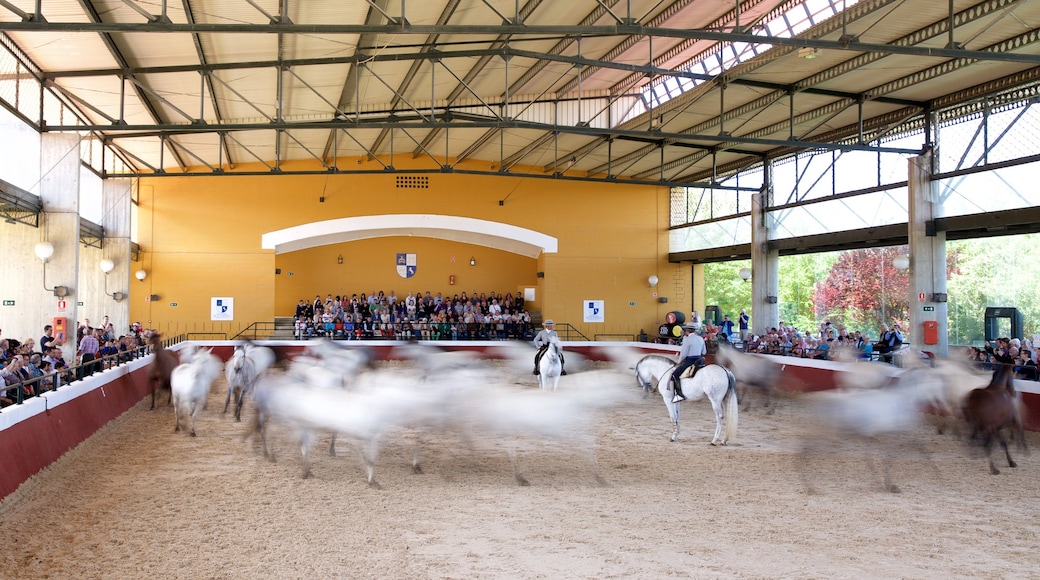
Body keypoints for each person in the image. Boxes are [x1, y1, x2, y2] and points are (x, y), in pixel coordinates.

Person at [671, 324, 706, 403]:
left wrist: (678, 362)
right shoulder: (700, 338)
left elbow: (683, 354)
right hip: (700, 360)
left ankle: (679, 395)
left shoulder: (687, 339)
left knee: (674, 375)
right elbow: (704, 352)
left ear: (687, 331)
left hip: (690, 361)